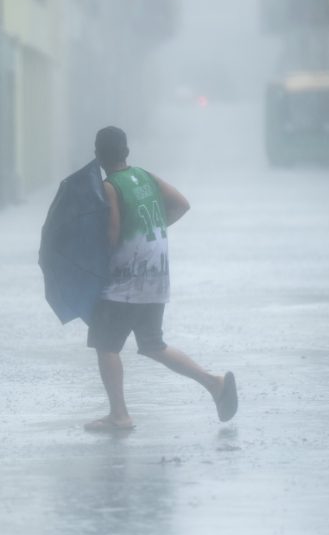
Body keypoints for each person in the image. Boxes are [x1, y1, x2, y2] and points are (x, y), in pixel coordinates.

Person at [83, 126, 238, 432]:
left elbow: (112, 234)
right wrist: (155, 228)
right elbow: (181, 203)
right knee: (154, 345)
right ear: (126, 151)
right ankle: (214, 384)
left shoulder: (110, 186)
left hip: (126, 281)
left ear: (98, 155)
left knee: (106, 344)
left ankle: (119, 414)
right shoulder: (145, 176)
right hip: (156, 277)